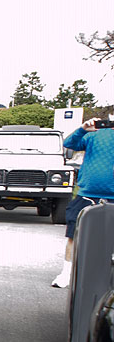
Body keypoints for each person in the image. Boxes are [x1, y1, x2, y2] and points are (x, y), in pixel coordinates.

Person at [52, 116, 114, 287]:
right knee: (74, 234)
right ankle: (66, 274)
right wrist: (82, 129)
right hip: (87, 194)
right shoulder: (95, 134)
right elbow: (69, 143)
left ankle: (106, 277)